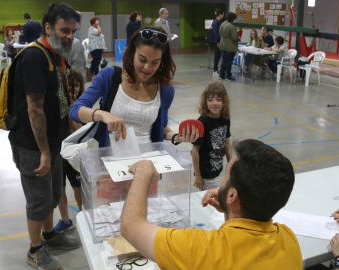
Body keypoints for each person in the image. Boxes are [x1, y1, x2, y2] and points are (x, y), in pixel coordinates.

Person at [120, 139, 302, 269]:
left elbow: (131, 226)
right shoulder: (289, 239)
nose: (221, 182)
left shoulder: (199, 250)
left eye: (225, 177)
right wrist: (231, 209)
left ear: (232, 195)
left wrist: (143, 172)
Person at [9, 3, 81, 269]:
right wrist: (45, 153)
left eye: (73, 31)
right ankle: (35, 249)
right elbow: (34, 108)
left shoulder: (55, 55)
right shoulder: (35, 57)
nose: (70, 36)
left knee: (52, 194)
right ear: (48, 27)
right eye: (65, 30)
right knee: (39, 200)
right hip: (33, 146)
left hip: (53, 142)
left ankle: (49, 234)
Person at [69, 26, 198, 147]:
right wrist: (102, 115)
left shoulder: (165, 90)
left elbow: (162, 129)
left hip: (147, 161)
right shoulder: (110, 76)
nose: (147, 68)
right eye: (142, 60)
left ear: (162, 62)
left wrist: (177, 137)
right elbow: (75, 110)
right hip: (109, 160)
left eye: (155, 62)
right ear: (132, 54)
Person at [55, 68, 85, 233]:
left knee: (78, 187)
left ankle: (83, 216)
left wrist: (73, 109)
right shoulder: (59, 105)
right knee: (59, 186)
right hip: (59, 152)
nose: (73, 90)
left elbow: (80, 132)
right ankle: (65, 219)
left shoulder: (82, 107)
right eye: (69, 87)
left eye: (76, 86)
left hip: (75, 153)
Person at [192, 82, 232, 191]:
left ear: (224, 101)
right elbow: (195, 150)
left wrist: (231, 166)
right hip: (206, 171)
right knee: (216, 198)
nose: (214, 103)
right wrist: (198, 175)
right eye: (210, 100)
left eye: (218, 99)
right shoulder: (202, 122)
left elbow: (227, 144)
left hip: (217, 167)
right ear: (205, 102)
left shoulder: (225, 119)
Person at [218, 12, 238, 81]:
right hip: (230, 46)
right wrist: (238, 38)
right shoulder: (231, 26)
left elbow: (220, 32)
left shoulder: (222, 24)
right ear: (232, 18)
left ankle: (221, 75)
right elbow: (234, 38)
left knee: (224, 61)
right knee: (229, 62)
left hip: (222, 45)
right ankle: (228, 76)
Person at [211, 8, 224, 76]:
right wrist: (217, 41)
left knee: (219, 55)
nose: (223, 16)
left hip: (220, 40)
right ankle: (215, 70)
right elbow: (216, 33)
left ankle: (216, 69)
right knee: (217, 55)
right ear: (220, 14)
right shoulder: (216, 22)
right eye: (223, 14)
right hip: (218, 41)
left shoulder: (220, 22)